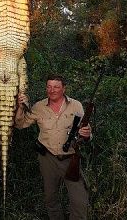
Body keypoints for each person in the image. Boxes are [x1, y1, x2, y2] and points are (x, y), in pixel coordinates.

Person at [15, 74, 92, 220]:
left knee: (79, 201)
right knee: (51, 199)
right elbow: (20, 124)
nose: (52, 90)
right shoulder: (39, 107)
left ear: (64, 88)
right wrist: (20, 108)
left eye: (56, 87)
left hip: (70, 159)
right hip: (47, 158)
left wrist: (86, 133)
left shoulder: (76, 105)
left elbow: (85, 130)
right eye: (49, 87)